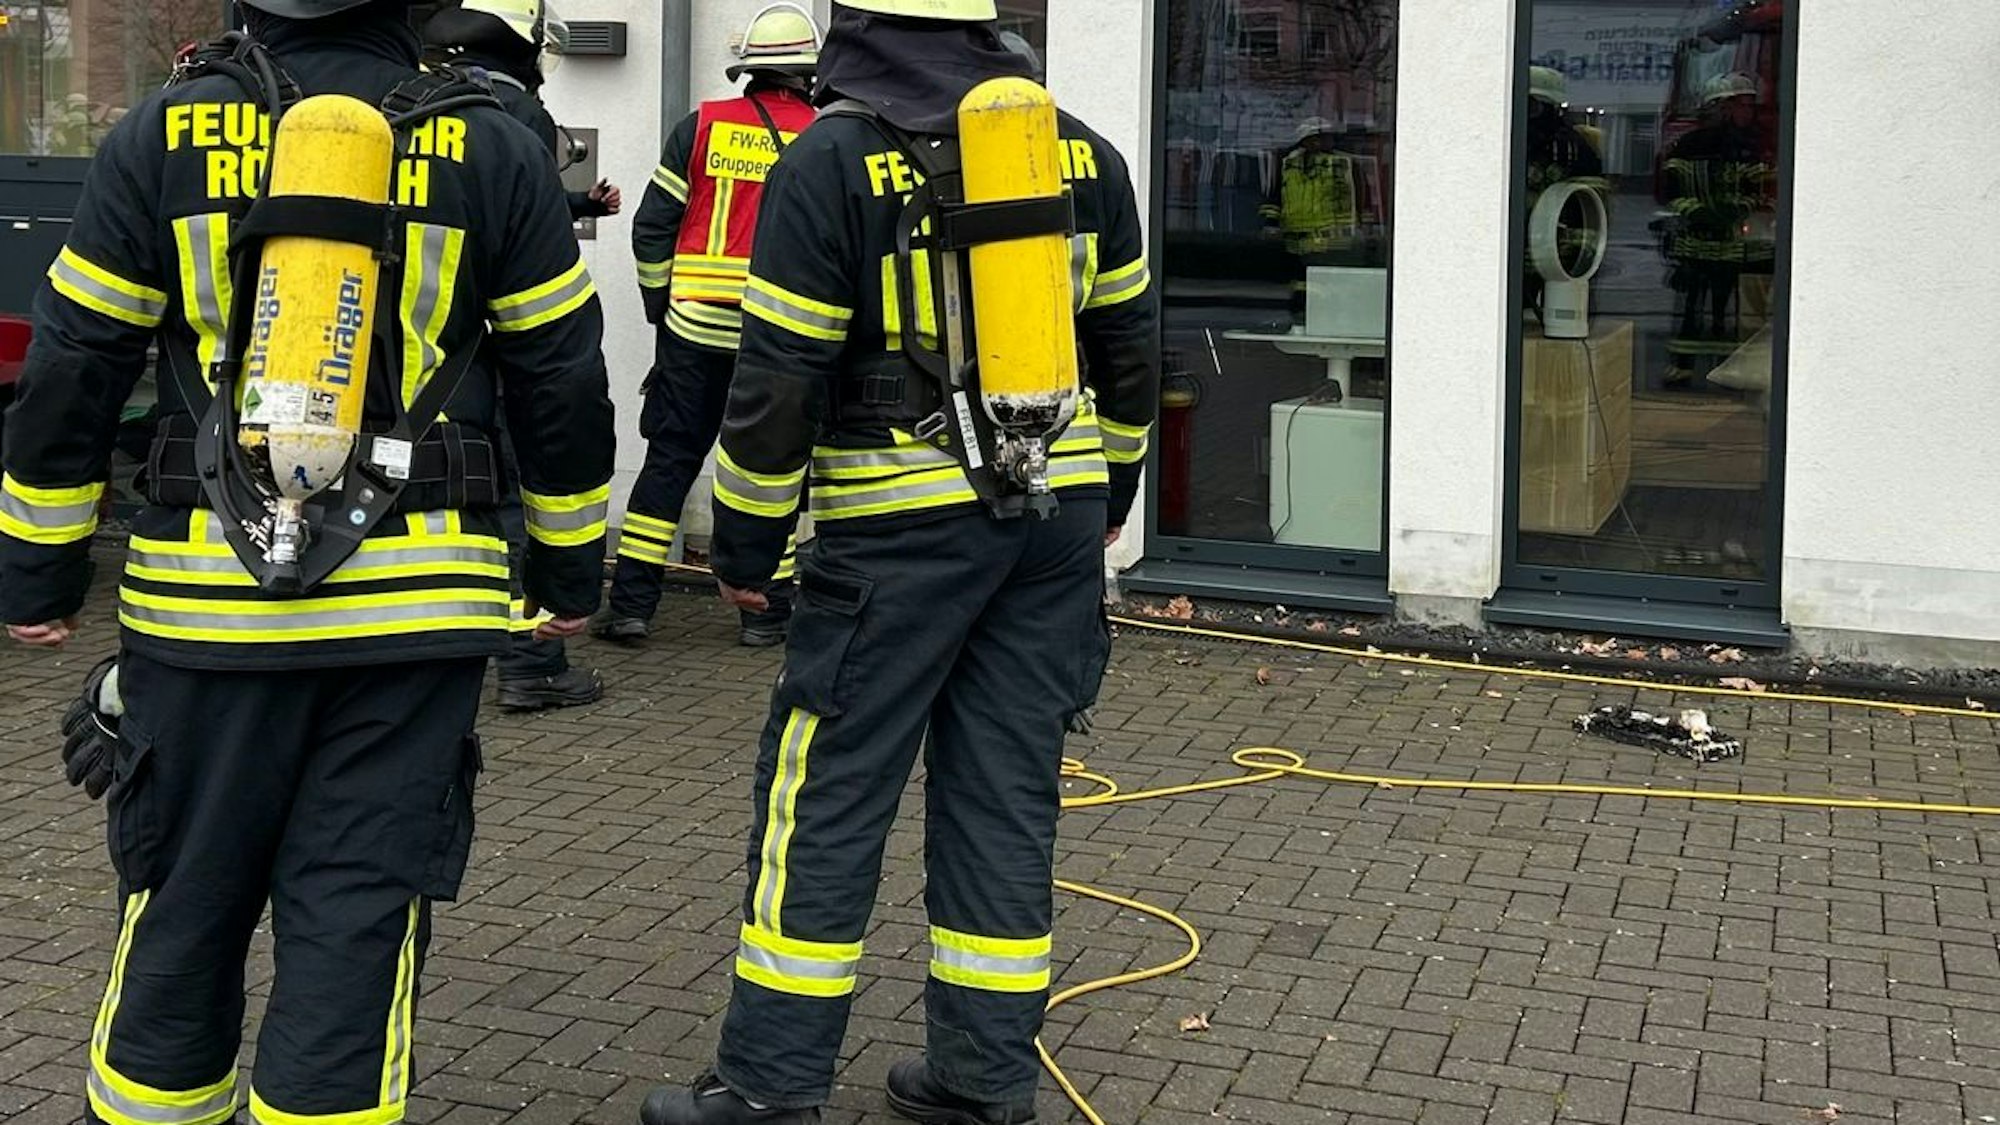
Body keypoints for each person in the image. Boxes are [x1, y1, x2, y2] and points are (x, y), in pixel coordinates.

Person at [0, 3, 616, 1125]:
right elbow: (562, 377)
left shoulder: (162, 133)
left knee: (180, 909)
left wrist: (38, 573)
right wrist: (569, 575)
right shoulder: (492, 143)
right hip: (415, 619)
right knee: (357, 925)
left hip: (203, 615)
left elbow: (74, 363)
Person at [639, 3, 1158, 1124]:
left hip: (894, 530)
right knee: (1006, 794)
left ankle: (769, 1086)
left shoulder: (831, 160)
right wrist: (1107, 493)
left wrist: (747, 543)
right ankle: (982, 1080)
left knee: (825, 795)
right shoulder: (1081, 150)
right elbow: (1128, 346)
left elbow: (779, 374)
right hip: (1053, 521)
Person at [595, 2, 821, 649]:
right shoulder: (824, 138)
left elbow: (651, 228)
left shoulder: (701, 127)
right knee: (768, 473)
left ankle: (632, 605)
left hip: (693, 328)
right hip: (778, 338)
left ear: (746, 70)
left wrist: (661, 311)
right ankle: (765, 614)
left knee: (669, 460)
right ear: (809, 74)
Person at [423, 0, 621, 708]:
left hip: (435, 360)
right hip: (508, 349)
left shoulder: (422, 101)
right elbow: (521, 222)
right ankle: (532, 663)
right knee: (517, 498)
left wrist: (580, 203)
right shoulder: (515, 113)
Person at [1661, 72, 1776, 382]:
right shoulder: (1688, 146)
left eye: (1750, 105)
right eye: (1743, 105)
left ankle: (1723, 367)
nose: (1749, 112)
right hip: (1695, 243)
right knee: (1691, 307)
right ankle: (1683, 365)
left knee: (1725, 309)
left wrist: (1737, 209)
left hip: (1731, 244)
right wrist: (1699, 213)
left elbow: (1760, 189)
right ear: (1721, 107)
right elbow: (1671, 191)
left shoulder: (1749, 147)